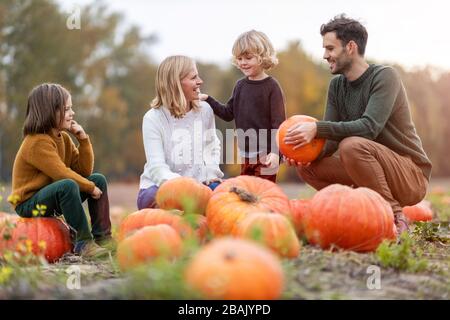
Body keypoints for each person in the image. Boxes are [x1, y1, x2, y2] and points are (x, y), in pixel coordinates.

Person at [284, 15, 432, 235]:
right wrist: (304, 153)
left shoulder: (385, 76)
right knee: (309, 167)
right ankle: (357, 214)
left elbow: (369, 127)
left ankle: (394, 216)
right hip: (366, 166)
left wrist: (317, 128)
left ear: (350, 47)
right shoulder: (337, 86)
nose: (325, 55)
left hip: (410, 174)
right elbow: (331, 142)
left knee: (352, 145)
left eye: (330, 48)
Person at [8, 83, 112, 258]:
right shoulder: (36, 142)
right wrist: (89, 188)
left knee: (98, 179)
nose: (73, 113)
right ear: (49, 111)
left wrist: (83, 140)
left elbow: (83, 171)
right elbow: (61, 173)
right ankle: (84, 243)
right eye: (67, 109)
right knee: (68, 184)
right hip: (29, 204)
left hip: (52, 197)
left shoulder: (62, 138)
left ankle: (103, 239)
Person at [137, 55, 224, 210]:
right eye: (193, 77)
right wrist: (185, 188)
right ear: (175, 83)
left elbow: (212, 146)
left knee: (225, 196)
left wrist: (211, 174)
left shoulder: (205, 109)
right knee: (152, 199)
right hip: (162, 186)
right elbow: (157, 167)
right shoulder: (153, 118)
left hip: (201, 185)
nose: (200, 81)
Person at [199, 30, 286, 182]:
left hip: (266, 155)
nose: (243, 62)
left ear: (262, 57)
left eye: (248, 57)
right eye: (239, 58)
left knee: (262, 194)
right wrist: (208, 99)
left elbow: (278, 124)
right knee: (246, 196)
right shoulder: (240, 86)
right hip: (245, 155)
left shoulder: (272, 87)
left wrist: (275, 152)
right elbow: (228, 113)